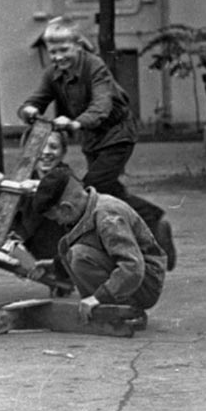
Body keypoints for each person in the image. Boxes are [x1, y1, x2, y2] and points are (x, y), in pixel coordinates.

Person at [18, 16, 176, 270]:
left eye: (64, 50)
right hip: (93, 141)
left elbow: (102, 105)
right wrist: (28, 109)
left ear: (78, 45)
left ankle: (74, 259)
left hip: (116, 136)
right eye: (53, 52)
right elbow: (37, 98)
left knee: (88, 191)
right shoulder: (53, 74)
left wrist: (76, 123)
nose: (58, 57)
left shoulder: (95, 67)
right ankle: (154, 225)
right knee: (111, 192)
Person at [31, 167, 166, 322]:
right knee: (70, 253)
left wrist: (98, 297)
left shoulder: (107, 216)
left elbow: (132, 266)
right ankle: (107, 307)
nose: (59, 222)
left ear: (67, 207)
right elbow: (94, 244)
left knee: (78, 255)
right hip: (136, 280)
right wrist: (56, 265)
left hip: (144, 284)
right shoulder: (87, 209)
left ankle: (127, 312)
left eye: (56, 218)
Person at [0, 129, 74, 295]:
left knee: (38, 195)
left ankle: (11, 240)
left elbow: (66, 192)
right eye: (40, 147)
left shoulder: (66, 174)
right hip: (30, 239)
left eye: (53, 147)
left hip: (52, 241)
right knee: (10, 189)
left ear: (63, 152)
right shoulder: (26, 173)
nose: (46, 152)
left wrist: (38, 186)